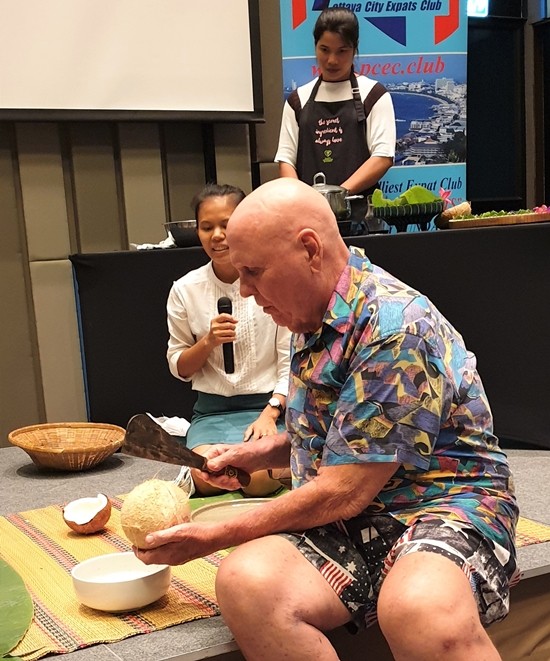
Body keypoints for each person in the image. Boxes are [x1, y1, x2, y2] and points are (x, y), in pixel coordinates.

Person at [137, 178, 519, 661]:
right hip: (354, 516)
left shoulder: (394, 327)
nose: (247, 291)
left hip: (443, 505)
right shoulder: (309, 310)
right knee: (246, 584)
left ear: (310, 250)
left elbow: (345, 488)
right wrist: (250, 453)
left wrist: (214, 534)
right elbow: (335, 435)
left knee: (419, 609)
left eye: (253, 272)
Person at [165, 183, 291, 497]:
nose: (217, 235)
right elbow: (180, 366)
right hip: (212, 412)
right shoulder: (185, 288)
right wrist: (207, 341)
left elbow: (292, 361)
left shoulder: (273, 281)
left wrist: (272, 411)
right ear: (197, 231)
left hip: (266, 408)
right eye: (207, 227)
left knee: (256, 480)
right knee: (211, 475)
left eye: (227, 224)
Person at [275, 7, 396, 227]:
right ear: (315, 47)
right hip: (308, 221)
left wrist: (337, 196)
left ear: (354, 49)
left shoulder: (374, 95)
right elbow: (285, 159)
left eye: (342, 51)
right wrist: (306, 202)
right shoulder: (297, 99)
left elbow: (383, 156)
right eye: (324, 49)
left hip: (363, 218)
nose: (332, 60)